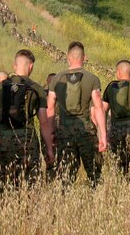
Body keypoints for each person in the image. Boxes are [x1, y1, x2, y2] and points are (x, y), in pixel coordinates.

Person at [0, 49, 53, 188]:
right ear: (31, 66)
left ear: (14, 66)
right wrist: (49, 149)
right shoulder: (37, 89)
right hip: (27, 141)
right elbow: (44, 122)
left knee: (4, 186)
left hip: (3, 142)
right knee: (32, 185)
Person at [47, 41, 107, 187]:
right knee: (94, 173)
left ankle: (65, 205)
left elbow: (49, 109)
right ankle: (97, 205)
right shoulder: (92, 79)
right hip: (86, 132)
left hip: (64, 132)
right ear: (84, 57)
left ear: (68, 57)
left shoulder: (56, 79)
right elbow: (98, 107)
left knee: (65, 176)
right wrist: (102, 135)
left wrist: (51, 135)